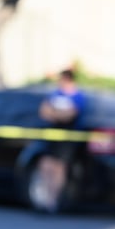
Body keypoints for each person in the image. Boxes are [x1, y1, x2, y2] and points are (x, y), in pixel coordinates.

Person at [37, 67, 86, 212]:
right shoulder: (55, 93)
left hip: (67, 138)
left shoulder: (77, 96)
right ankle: (46, 197)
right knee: (45, 165)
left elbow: (70, 115)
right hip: (53, 135)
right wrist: (58, 114)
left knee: (59, 167)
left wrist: (55, 113)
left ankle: (54, 200)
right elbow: (44, 111)